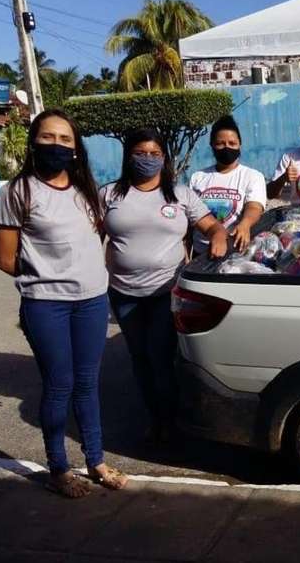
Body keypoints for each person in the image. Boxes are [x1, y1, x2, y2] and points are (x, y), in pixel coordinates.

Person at [0, 109, 127, 498]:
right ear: (35, 142)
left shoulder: (86, 189)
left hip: (91, 303)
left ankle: (96, 460)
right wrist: (47, 272)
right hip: (45, 304)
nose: (57, 145)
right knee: (59, 385)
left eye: (65, 139)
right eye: (48, 137)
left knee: (87, 385)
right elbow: (5, 259)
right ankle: (58, 467)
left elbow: (94, 240)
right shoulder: (17, 192)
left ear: (75, 147)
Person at [100, 129, 228, 443]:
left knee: (160, 355)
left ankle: (169, 420)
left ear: (164, 158)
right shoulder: (109, 195)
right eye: (140, 153)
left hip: (165, 292)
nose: (148, 159)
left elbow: (211, 225)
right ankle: (154, 415)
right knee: (139, 358)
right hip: (123, 293)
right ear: (128, 156)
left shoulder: (180, 194)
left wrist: (219, 238)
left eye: (155, 153)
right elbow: (90, 235)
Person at [190, 115, 266, 254]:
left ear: (240, 145)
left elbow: (254, 206)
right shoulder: (198, 177)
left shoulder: (253, 176)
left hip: (236, 251)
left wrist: (245, 224)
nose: (227, 148)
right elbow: (190, 217)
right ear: (212, 145)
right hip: (201, 253)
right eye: (221, 143)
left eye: (232, 143)